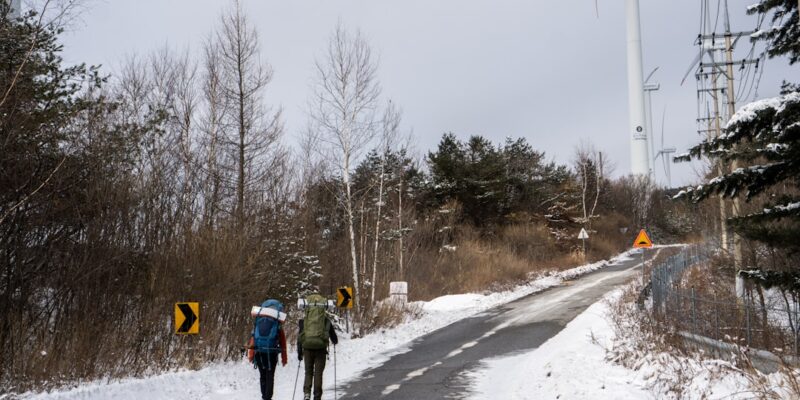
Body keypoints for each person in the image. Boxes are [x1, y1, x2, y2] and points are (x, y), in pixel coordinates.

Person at [297, 293, 339, 400]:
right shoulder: (326, 321)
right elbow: (335, 339)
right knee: (318, 373)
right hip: (320, 349)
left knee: (308, 372)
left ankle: (306, 394)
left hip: (307, 349)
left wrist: (299, 352)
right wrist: (333, 341)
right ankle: (317, 396)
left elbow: (300, 337)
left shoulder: (304, 321)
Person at [250, 299, 288, 400]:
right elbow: (283, 342)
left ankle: (264, 397)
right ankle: (268, 398)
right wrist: (284, 358)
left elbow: (253, 338)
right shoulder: (276, 323)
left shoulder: (258, 321)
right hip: (271, 353)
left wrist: (251, 354)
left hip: (259, 352)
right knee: (270, 376)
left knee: (262, 375)